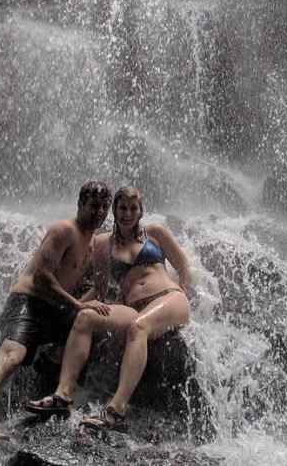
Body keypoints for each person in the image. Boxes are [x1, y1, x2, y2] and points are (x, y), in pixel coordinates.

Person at [25, 184, 192, 431]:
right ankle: (63, 395)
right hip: (134, 308)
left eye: (133, 208)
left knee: (139, 327)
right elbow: (100, 290)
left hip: (168, 298)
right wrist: (74, 305)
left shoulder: (155, 232)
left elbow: (184, 270)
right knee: (86, 317)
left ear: (141, 211)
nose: (127, 213)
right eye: (122, 208)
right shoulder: (103, 244)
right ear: (114, 210)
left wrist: (180, 304)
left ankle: (116, 409)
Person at [0, 180, 113, 442]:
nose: (99, 212)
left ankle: (51, 367)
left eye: (103, 207)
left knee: (91, 330)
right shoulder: (64, 230)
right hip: (27, 302)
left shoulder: (95, 244)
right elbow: (41, 278)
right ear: (80, 204)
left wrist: (85, 304)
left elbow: (98, 290)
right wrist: (76, 304)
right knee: (12, 356)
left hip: (56, 308)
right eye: (93, 206)